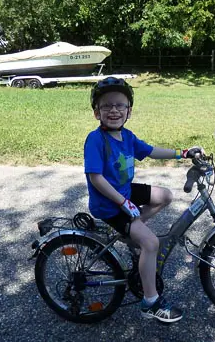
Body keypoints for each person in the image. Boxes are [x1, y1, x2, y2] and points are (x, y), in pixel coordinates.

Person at [84, 77, 203, 323]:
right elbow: (96, 178)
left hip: (124, 192)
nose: (114, 110)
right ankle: (150, 301)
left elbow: (150, 151)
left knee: (165, 196)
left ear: (129, 111)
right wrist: (122, 203)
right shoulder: (95, 140)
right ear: (97, 113)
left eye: (120, 105)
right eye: (106, 106)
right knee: (150, 244)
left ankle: (129, 232)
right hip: (108, 203)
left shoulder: (127, 136)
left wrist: (183, 153)